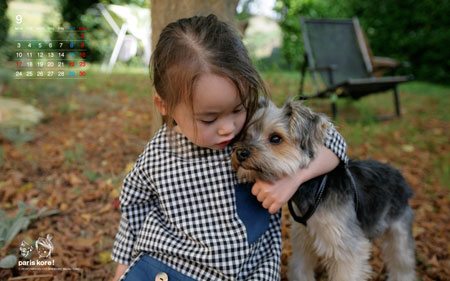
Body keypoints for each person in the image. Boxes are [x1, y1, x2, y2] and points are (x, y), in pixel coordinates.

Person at [111, 14, 348, 281]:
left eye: (238, 108)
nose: (228, 128)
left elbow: (334, 144)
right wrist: (124, 265)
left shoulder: (256, 124)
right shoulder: (158, 154)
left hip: (250, 271)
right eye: (209, 119)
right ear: (164, 106)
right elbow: (135, 203)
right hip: (170, 268)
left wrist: (293, 180)